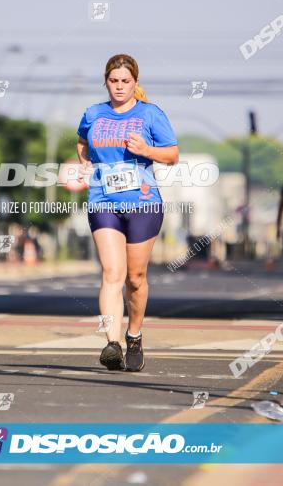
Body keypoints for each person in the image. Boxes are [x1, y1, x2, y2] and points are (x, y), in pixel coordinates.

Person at [76, 54, 179, 371]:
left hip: (143, 204)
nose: (119, 87)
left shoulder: (150, 114)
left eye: (125, 81)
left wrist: (147, 151)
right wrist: (87, 165)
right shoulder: (94, 114)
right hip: (103, 201)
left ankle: (134, 335)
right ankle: (112, 343)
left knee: (135, 279)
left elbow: (172, 155)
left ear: (135, 82)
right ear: (105, 81)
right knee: (111, 274)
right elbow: (82, 140)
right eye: (113, 81)